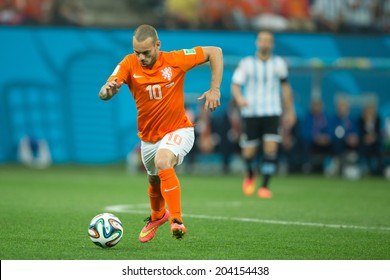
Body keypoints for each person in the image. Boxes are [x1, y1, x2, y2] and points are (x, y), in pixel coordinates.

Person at [98, 24, 223, 242]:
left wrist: (215, 89)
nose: (141, 58)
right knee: (154, 179)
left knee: (163, 160)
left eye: (146, 53)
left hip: (179, 129)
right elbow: (104, 91)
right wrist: (107, 91)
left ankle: (177, 220)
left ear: (158, 45)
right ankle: (158, 216)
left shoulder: (176, 59)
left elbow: (215, 52)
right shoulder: (128, 63)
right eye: (137, 53)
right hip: (149, 137)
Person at [231, 30, 295, 198]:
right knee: (248, 152)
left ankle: (264, 186)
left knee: (271, 148)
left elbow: (286, 87)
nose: (265, 43)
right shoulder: (246, 63)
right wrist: (239, 98)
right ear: (257, 43)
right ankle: (251, 174)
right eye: (262, 40)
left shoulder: (279, 63)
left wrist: (290, 111)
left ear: (272, 44)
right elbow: (236, 85)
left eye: (268, 40)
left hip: (272, 111)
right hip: (251, 112)